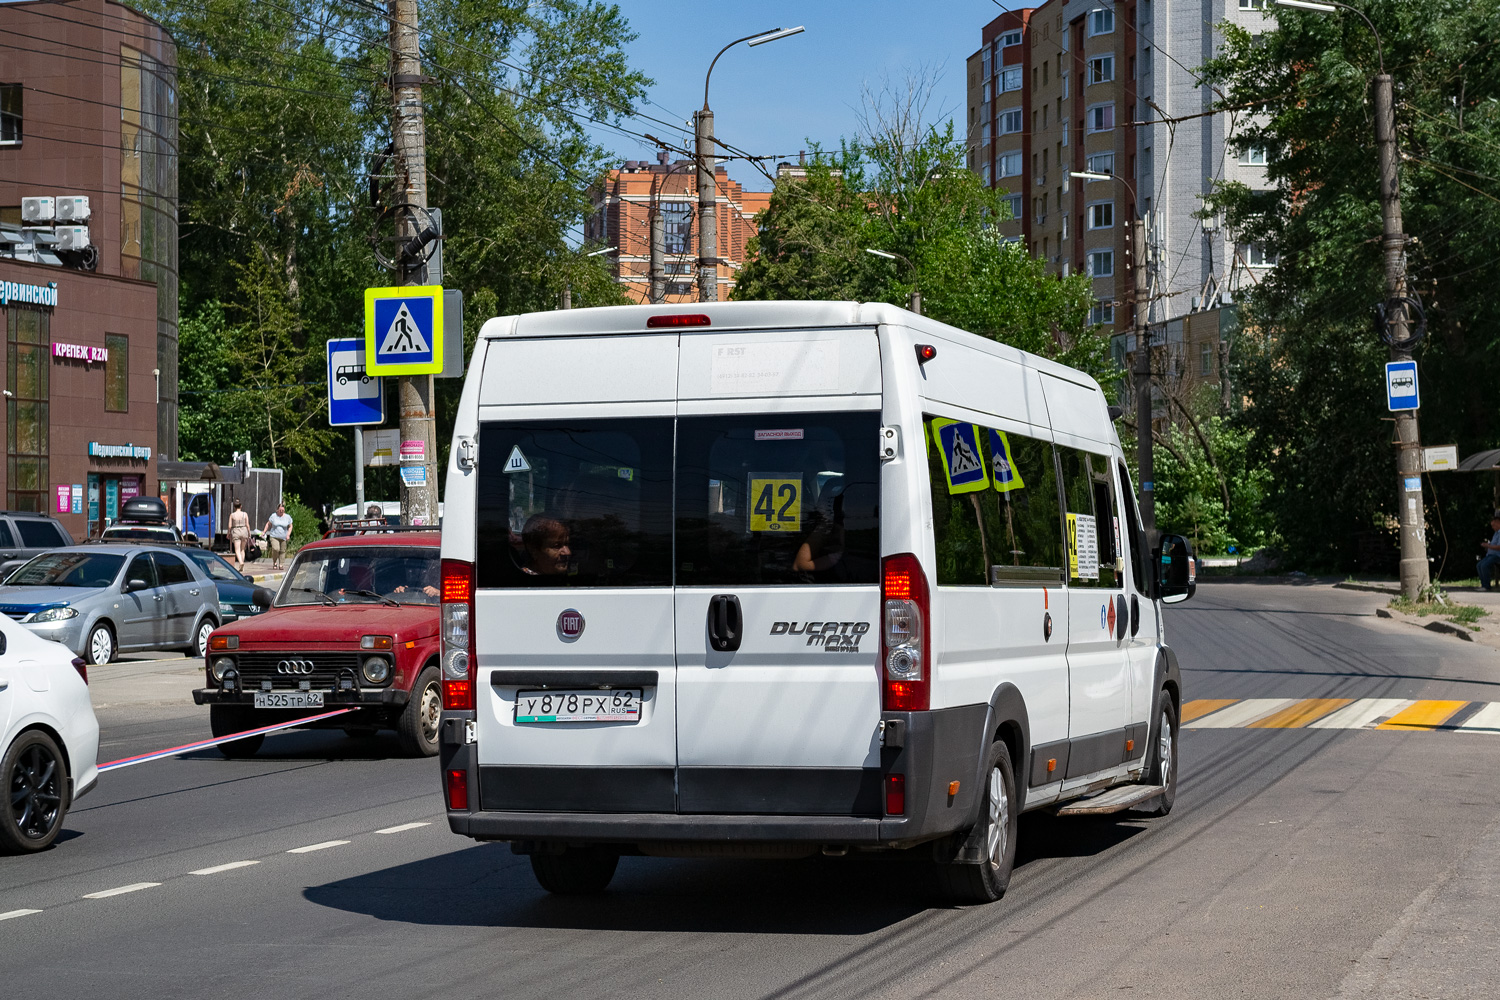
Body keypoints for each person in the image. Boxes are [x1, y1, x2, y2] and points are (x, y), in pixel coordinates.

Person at [264, 503, 293, 571]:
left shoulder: (287, 517)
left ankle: (281, 564)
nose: (281, 511)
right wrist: (264, 531)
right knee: (276, 549)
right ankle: (274, 562)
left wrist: (288, 534)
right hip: (274, 536)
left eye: (283, 510)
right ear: (277, 510)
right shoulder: (273, 516)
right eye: (280, 510)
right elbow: (268, 524)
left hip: (283, 537)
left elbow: (290, 526)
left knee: (282, 551)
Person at [227, 499, 251, 571]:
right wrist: (249, 533)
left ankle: (240, 562)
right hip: (244, 530)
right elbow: (247, 525)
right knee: (242, 549)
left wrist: (228, 533)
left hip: (236, 530)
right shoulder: (245, 514)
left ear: (234, 507)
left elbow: (229, 526)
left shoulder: (232, 515)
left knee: (237, 549)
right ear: (241, 506)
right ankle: (242, 563)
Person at [1480, 511, 1500, 591]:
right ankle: (1483, 585)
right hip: (1491, 555)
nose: (1492, 527)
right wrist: (1487, 546)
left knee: (1484, 565)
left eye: (1493, 525)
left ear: (1498, 523)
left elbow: (1499, 547)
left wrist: (1488, 546)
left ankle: (1487, 586)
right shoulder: (1496, 533)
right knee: (1479, 565)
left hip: (1497, 555)